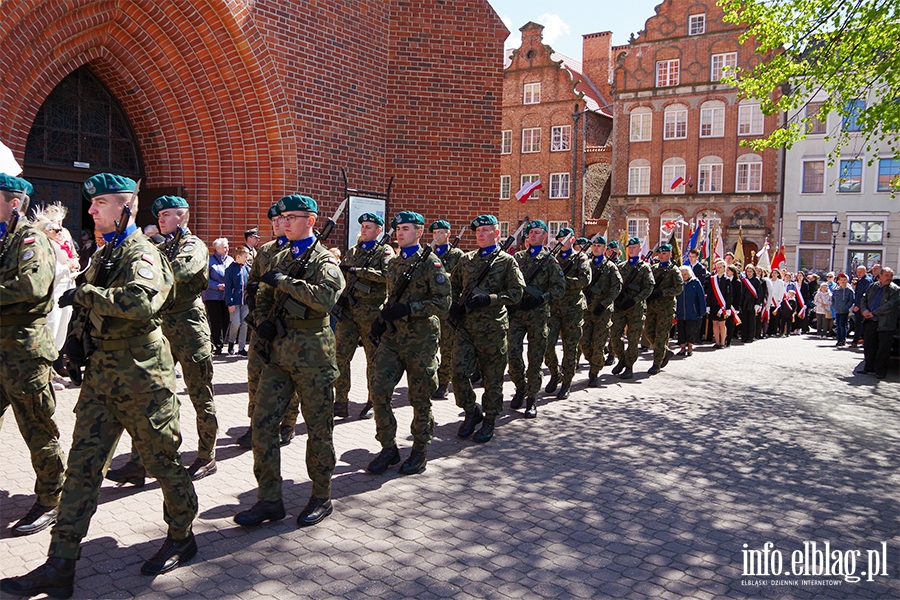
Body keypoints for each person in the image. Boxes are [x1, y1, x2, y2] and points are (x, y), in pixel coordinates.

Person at [2, 174, 199, 599]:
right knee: (83, 469)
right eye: (91, 203)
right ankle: (60, 564)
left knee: (162, 461)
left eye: (100, 203)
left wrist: (86, 295)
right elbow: (88, 305)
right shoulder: (105, 253)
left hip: (143, 378)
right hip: (102, 377)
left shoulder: (142, 253)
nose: (90, 210)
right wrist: (75, 343)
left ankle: (182, 535)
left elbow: (142, 302)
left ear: (126, 207)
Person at [234, 194, 345, 528]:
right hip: (277, 354)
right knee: (264, 425)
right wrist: (263, 323)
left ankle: (321, 496)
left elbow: (325, 299)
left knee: (318, 428)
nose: (283, 223)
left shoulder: (324, 261)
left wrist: (286, 282)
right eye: (281, 219)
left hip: (313, 355)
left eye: (291, 218)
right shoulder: (279, 256)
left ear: (311, 221)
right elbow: (263, 296)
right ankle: (269, 499)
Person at [106, 194, 219, 486]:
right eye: (159, 215)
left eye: (166, 214)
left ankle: (207, 456)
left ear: (182, 217)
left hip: (189, 328)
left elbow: (179, 272)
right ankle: (138, 463)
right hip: (161, 327)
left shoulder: (193, 246)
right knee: (151, 397)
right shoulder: (162, 245)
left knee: (200, 395)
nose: (161, 219)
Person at [0, 174, 66, 538]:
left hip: (24, 351)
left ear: (13, 203)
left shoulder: (31, 239)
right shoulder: (2, 239)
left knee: (37, 428)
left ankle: (51, 499)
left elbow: (33, 286)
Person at [366, 211, 450, 476]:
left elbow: (443, 304)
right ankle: (388, 447)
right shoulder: (394, 263)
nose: (399, 233)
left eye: (405, 228)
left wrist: (408, 309)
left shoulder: (431, 263)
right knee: (378, 390)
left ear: (419, 232)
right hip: (393, 338)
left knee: (419, 397)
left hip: (420, 340)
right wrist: (382, 316)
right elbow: (391, 298)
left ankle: (419, 451)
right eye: (397, 229)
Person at [449, 214, 524, 443]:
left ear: (497, 233)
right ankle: (472, 411)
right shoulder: (466, 259)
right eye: (478, 231)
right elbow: (453, 284)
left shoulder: (506, 261)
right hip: (467, 327)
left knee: (492, 378)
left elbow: (517, 293)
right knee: (459, 373)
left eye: (486, 230)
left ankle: (490, 418)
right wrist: (454, 306)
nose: (480, 234)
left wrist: (490, 299)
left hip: (493, 328)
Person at [238, 204, 298, 448]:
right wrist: (251, 291)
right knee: (255, 375)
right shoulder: (264, 250)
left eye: (281, 219)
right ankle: (255, 424)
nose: (276, 224)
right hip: (262, 323)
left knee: (289, 375)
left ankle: (288, 423)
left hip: (287, 325)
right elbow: (252, 279)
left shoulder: (300, 250)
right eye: (273, 220)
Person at [333, 212, 393, 419]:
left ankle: (373, 402)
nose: (364, 229)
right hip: (349, 313)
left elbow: (388, 276)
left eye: (369, 227)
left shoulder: (384, 251)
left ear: (378, 231)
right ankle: (340, 401)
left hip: (371, 314)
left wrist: (360, 271)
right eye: (363, 226)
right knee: (340, 358)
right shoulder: (353, 250)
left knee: (374, 361)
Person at [507, 220, 564, 417]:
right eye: (531, 232)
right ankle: (520, 387)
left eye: (537, 232)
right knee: (512, 354)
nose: (533, 235)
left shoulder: (549, 260)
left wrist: (542, 298)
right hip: (517, 313)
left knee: (535, 358)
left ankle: (532, 398)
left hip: (538, 315)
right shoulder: (518, 258)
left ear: (544, 236)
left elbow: (559, 287)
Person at [32, 203, 79, 384]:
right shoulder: (42, 243)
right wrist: (66, 268)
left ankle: (52, 371)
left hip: (65, 290)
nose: (60, 230)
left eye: (61, 225)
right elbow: (46, 271)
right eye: (56, 227)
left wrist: (74, 265)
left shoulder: (62, 238)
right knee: (50, 331)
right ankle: (46, 375)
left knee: (61, 331)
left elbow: (71, 256)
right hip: (52, 293)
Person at [544, 228, 591, 398]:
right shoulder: (552, 259)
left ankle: (566, 383)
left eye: (565, 238)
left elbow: (585, 280)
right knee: (547, 344)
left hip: (573, 309)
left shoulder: (581, 258)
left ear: (573, 240)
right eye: (560, 239)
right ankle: (556, 373)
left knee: (570, 348)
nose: (562, 242)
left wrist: (563, 282)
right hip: (554, 308)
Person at [610, 237, 655, 379]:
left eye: (634, 247)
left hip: (635, 308)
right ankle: (622, 359)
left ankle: (629, 366)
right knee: (614, 335)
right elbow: (615, 285)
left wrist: (635, 300)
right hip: (620, 307)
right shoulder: (622, 266)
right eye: (629, 247)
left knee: (633, 339)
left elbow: (649, 287)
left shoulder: (644, 267)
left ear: (640, 249)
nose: (631, 249)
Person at [581, 235, 622, 386]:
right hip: (587, 309)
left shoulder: (610, 267)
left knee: (598, 343)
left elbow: (617, 287)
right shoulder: (587, 264)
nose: (596, 248)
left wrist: (604, 304)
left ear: (605, 249)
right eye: (594, 245)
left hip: (602, 311)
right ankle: (595, 361)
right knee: (584, 342)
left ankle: (594, 372)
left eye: (599, 246)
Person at [430, 220, 464, 400]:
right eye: (434, 233)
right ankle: (433, 379)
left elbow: (461, 279)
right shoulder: (428, 253)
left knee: (447, 348)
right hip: (431, 307)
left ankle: (444, 383)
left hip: (447, 307)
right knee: (429, 346)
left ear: (448, 234)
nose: (436, 236)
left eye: (440, 232)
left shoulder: (457, 254)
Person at [644, 243, 684, 375]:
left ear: (670, 254)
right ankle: (665, 352)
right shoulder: (654, 268)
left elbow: (679, 288)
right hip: (652, 306)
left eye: (665, 253)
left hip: (666, 308)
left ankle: (657, 363)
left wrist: (662, 293)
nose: (661, 255)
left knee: (661, 336)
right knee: (649, 332)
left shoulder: (674, 270)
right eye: (660, 253)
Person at [857, 267, 899, 379]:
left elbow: (891, 305)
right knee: (869, 345)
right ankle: (868, 367)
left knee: (883, 349)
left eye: (891, 276)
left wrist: (874, 313)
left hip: (885, 323)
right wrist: (864, 310)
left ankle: (880, 371)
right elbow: (863, 299)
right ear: (880, 275)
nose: (889, 278)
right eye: (887, 275)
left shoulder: (895, 290)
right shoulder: (873, 286)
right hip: (871, 321)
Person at [203, 238, 232, 354]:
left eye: (227, 246)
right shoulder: (209, 261)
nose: (227, 249)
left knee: (226, 319)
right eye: (224, 247)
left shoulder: (230, 260)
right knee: (216, 320)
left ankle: (223, 341)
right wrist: (217, 286)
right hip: (212, 295)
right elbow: (205, 279)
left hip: (226, 295)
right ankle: (218, 345)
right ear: (217, 249)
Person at [225, 246, 251, 355]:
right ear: (238, 256)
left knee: (244, 324)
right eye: (245, 257)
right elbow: (228, 288)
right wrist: (229, 303)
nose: (247, 259)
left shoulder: (246, 269)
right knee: (236, 323)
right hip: (234, 302)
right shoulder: (230, 270)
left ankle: (241, 347)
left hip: (245, 302)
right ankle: (231, 342)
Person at [675, 265, 706, 356]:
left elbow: (701, 297)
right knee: (681, 331)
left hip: (692, 312)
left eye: (685, 274)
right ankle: (682, 348)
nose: (684, 276)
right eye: (682, 274)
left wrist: (702, 310)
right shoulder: (678, 283)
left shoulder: (695, 282)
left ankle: (690, 348)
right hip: (680, 312)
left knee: (690, 331)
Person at [707, 259, 732, 348]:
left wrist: (728, 307)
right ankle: (717, 342)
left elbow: (729, 295)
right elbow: (710, 293)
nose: (718, 269)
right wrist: (708, 305)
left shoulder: (727, 280)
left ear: (724, 268)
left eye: (720, 267)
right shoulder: (713, 279)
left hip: (723, 306)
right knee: (715, 323)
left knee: (722, 324)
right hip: (714, 305)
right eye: (717, 267)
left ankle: (722, 342)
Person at [849, 265, 872, 347]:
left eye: (860, 272)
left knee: (861, 324)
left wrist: (858, 305)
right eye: (857, 272)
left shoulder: (867, 281)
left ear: (865, 272)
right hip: (858, 305)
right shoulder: (860, 280)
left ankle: (858, 341)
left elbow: (864, 295)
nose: (858, 273)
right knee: (858, 324)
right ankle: (857, 340)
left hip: (863, 306)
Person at [831, 273, 854, 347]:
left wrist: (846, 307)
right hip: (837, 310)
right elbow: (833, 299)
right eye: (841, 280)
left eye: (844, 280)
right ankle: (839, 339)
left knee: (843, 325)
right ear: (839, 281)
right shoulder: (836, 290)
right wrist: (834, 306)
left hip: (844, 311)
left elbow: (851, 300)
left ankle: (843, 339)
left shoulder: (849, 290)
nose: (843, 281)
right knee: (838, 325)